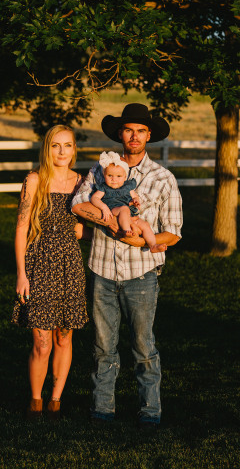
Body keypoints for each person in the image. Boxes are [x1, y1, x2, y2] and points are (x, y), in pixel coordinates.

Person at [71, 103, 183, 429]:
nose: (134, 136)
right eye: (128, 129)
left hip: (142, 275)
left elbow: (173, 233)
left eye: (141, 130)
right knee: (103, 348)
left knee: (143, 347)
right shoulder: (102, 169)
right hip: (102, 271)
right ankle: (102, 411)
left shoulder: (162, 178)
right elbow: (79, 203)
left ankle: (150, 412)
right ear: (120, 133)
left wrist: (137, 241)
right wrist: (109, 223)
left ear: (149, 135)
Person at [12, 124, 89, 421]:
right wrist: (21, 273)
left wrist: (81, 229)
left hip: (70, 264)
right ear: (47, 148)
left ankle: (55, 401)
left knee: (64, 337)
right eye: (56, 145)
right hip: (39, 263)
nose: (61, 152)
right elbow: (21, 228)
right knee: (41, 341)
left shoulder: (83, 182)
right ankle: (35, 401)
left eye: (67, 145)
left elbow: (87, 223)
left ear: (74, 149)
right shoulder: (35, 180)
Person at [91, 151, 167, 253]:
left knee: (145, 225)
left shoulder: (128, 187)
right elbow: (94, 198)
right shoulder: (104, 188)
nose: (114, 179)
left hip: (130, 215)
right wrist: (104, 207)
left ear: (125, 176)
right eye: (110, 176)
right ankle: (127, 230)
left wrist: (135, 201)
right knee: (124, 209)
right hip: (115, 210)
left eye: (118, 176)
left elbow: (135, 196)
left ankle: (153, 245)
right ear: (104, 175)